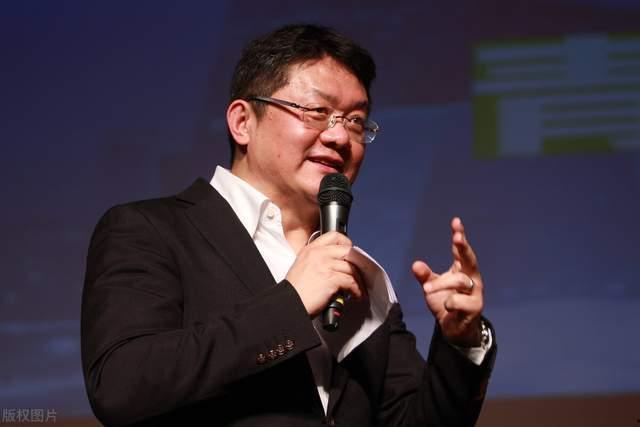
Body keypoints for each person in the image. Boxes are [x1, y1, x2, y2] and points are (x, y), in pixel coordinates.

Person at [81, 24, 496, 427]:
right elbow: (120, 387)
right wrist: (292, 303)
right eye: (317, 112)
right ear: (243, 122)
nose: (340, 137)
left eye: (355, 121)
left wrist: (460, 340)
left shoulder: (359, 274)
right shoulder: (149, 230)